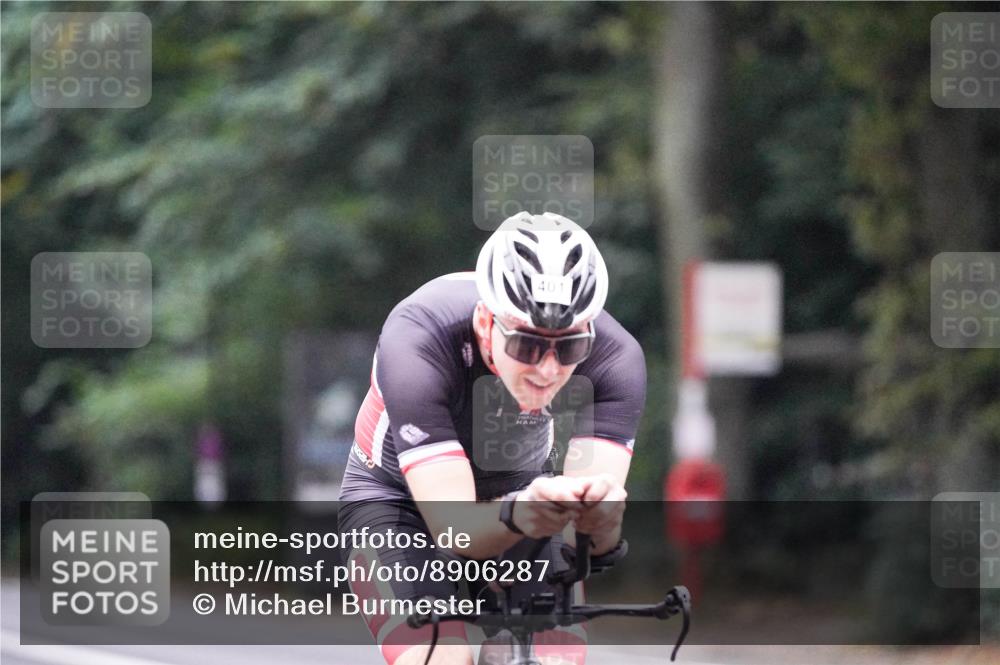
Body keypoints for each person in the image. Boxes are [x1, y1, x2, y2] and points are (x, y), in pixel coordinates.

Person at [338, 211, 647, 665]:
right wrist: (526, 512)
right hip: (398, 503)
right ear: (486, 323)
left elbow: (593, 545)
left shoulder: (615, 358)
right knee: (441, 660)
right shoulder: (421, 336)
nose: (547, 369)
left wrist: (599, 520)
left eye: (569, 349)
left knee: (555, 660)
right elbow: (456, 529)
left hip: (523, 496)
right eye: (526, 345)